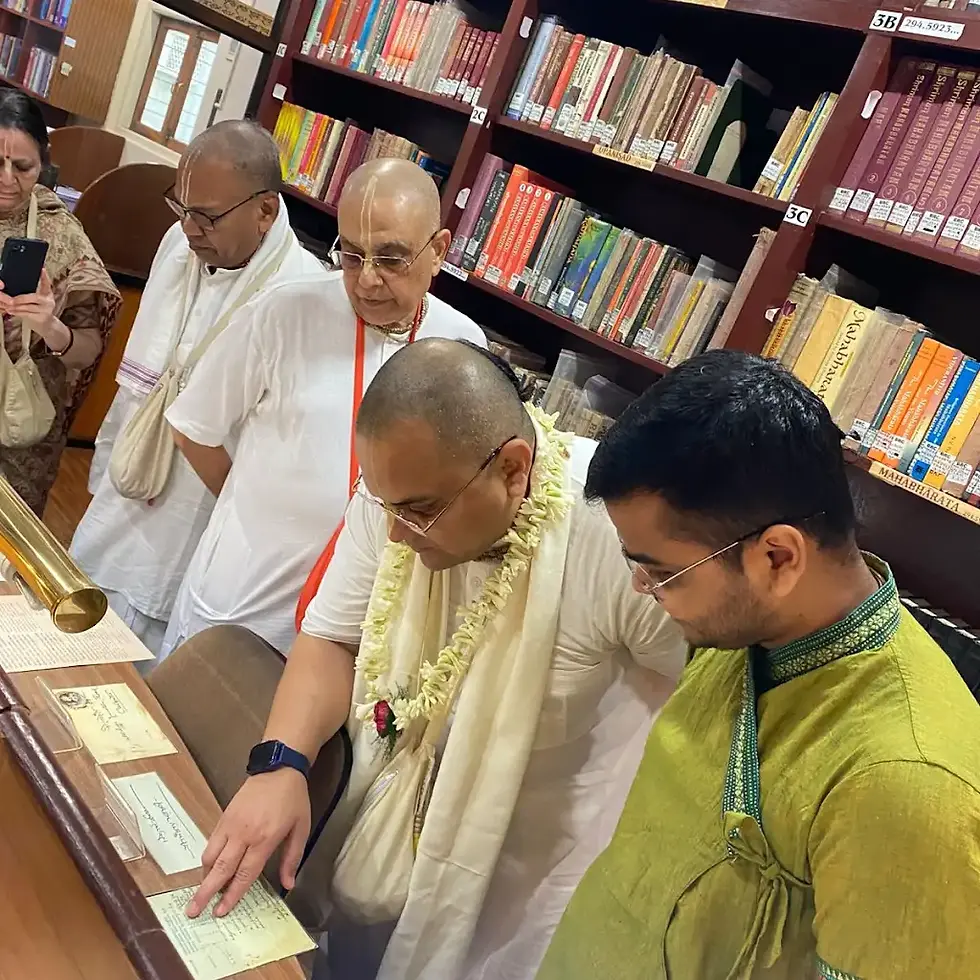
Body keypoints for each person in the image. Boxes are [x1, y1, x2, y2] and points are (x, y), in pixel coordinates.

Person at [182, 339, 685, 980]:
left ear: (512, 470)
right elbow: (332, 636)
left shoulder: (618, 534)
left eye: (419, 510)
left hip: (528, 870)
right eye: (384, 504)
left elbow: (702, 698)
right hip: (381, 818)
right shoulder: (396, 493)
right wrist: (280, 764)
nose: (393, 532)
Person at [537, 350, 980, 980]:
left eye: (663, 573)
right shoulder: (749, 632)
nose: (642, 589)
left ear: (777, 558)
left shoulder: (910, 781)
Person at [160, 158, 485, 658]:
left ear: (438, 250)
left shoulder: (461, 343)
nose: (367, 280)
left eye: (391, 258)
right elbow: (192, 428)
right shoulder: (283, 312)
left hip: (358, 620)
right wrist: (253, 501)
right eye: (352, 256)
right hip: (246, 601)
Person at [70, 120, 324, 657]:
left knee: (145, 665)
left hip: (196, 509)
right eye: (180, 207)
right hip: (128, 483)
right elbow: (137, 383)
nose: (189, 228)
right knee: (76, 622)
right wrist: (105, 472)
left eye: (206, 215)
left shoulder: (301, 295)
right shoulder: (180, 242)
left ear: (266, 211)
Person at [0, 90, 120, 515]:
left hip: (20, 441)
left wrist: (52, 326)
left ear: (44, 163)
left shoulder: (61, 233)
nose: (7, 179)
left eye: (22, 167)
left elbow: (87, 351)